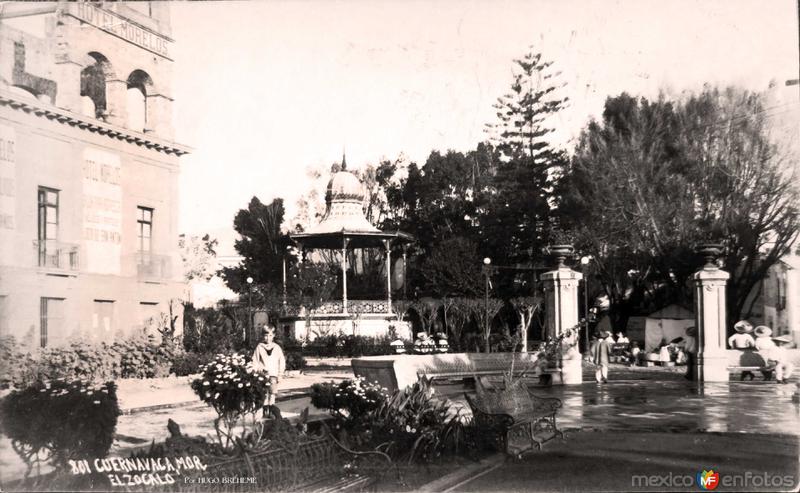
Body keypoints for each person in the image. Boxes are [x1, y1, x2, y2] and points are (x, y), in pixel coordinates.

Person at [252, 325, 286, 419]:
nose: (268, 338)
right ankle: (265, 411)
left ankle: (271, 410)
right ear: (263, 335)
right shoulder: (259, 347)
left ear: (273, 335)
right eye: (266, 335)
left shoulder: (277, 348)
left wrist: (280, 374)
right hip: (263, 375)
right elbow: (255, 360)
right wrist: (257, 369)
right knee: (264, 393)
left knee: (272, 393)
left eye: (270, 335)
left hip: (273, 374)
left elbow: (281, 361)